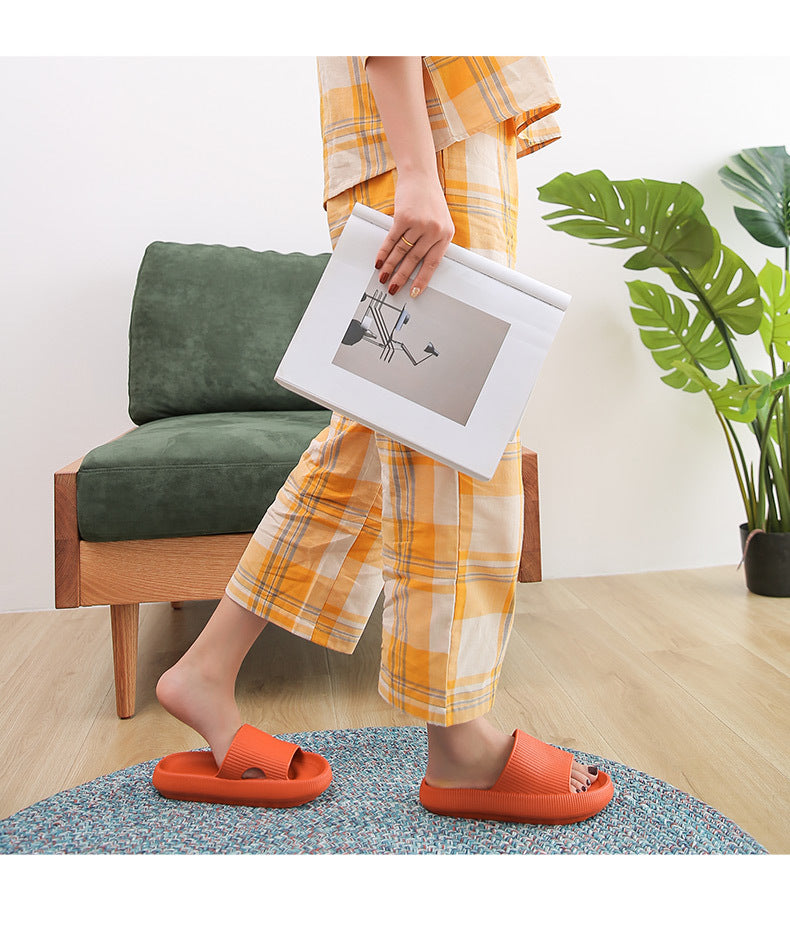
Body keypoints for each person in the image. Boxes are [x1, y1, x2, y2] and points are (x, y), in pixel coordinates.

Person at [153, 56, 613, 824]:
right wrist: (416, 168)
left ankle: (209, 667)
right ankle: (460, 740)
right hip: (427, 138)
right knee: (446, 443)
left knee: (392, 433)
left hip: (441, 139)